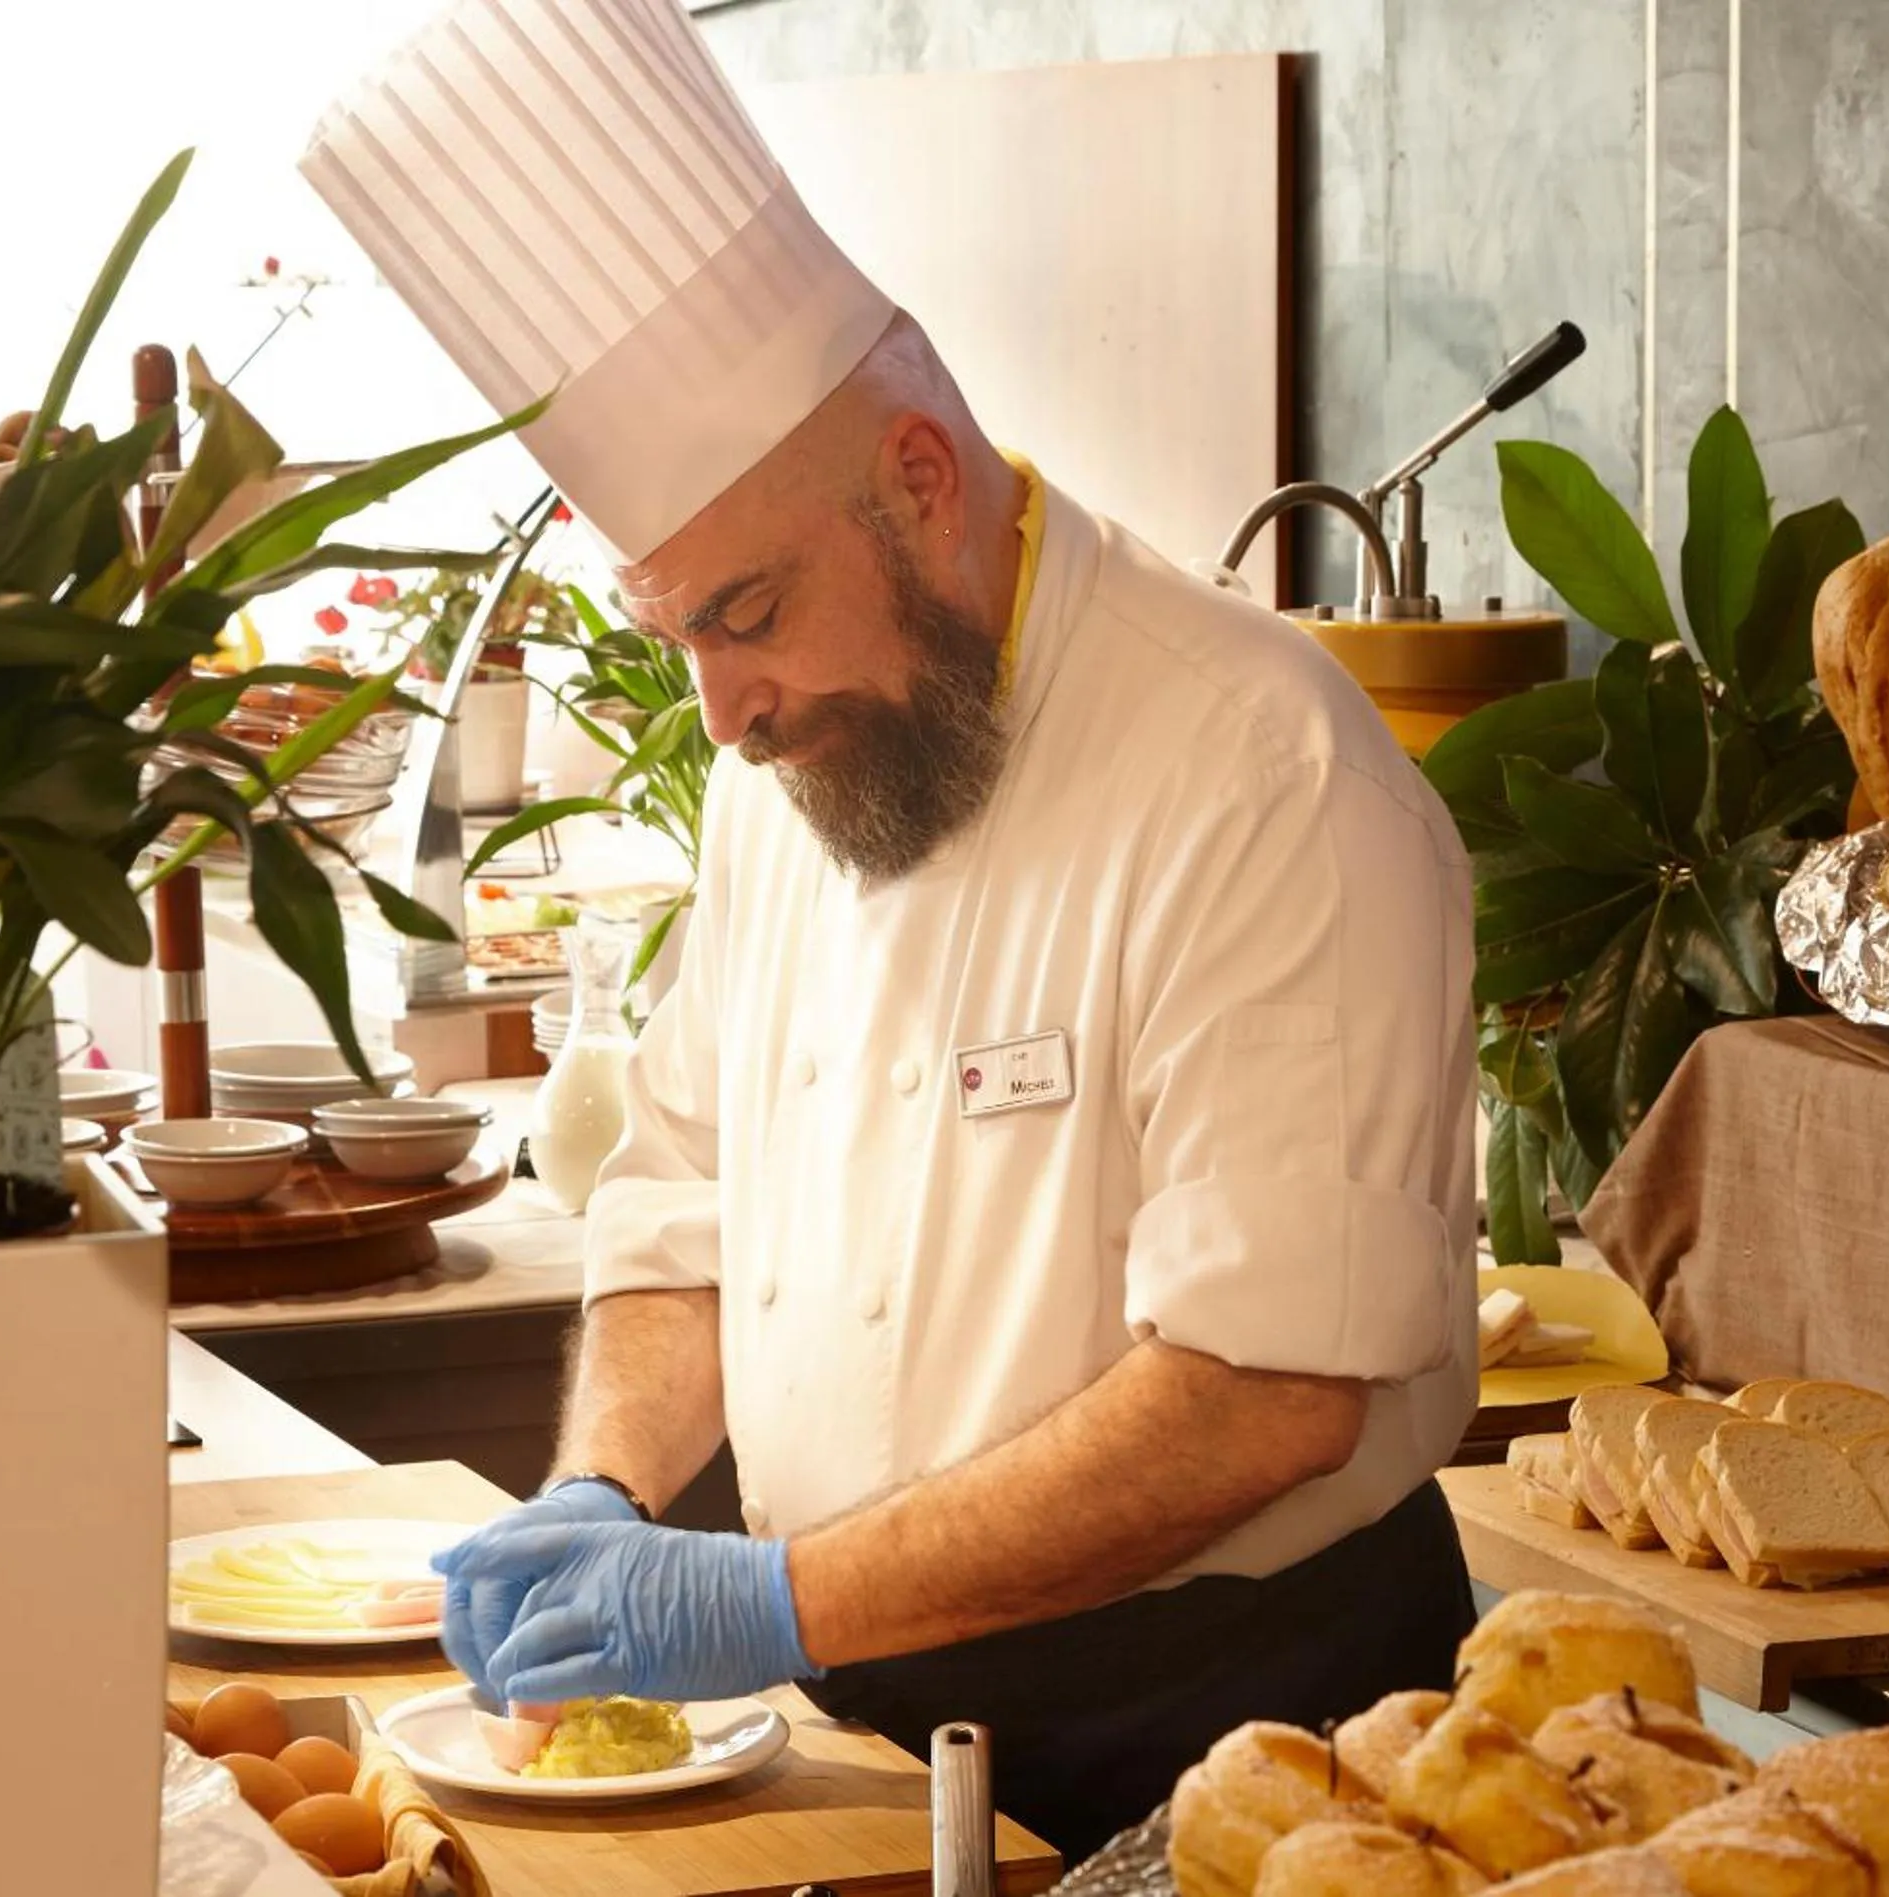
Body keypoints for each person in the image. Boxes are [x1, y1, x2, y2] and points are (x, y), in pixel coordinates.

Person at [304, 0, 1478, 1856]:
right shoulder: (793, 767)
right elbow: (682, 1198)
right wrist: (606, 1486)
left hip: (1229, 1742)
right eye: (677, 633)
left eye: (749, 612)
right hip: (868, 1721)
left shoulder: (1263, 769)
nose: (722, 711)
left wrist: (774, 1602)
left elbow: (1262, 1398)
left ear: (920, 480)